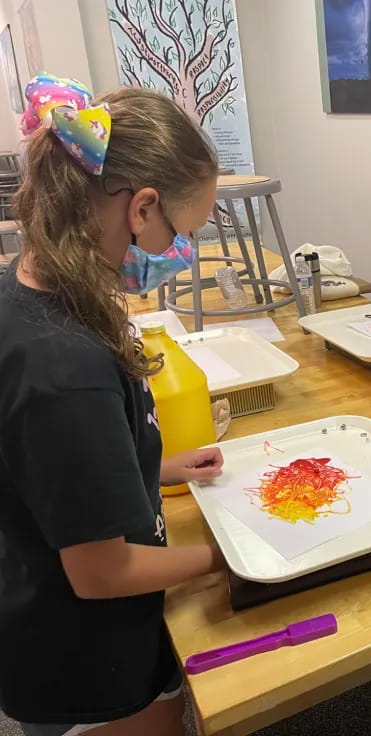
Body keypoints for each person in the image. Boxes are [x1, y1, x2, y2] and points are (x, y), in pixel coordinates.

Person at [0, 75, 225, 735]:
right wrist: (235, 557)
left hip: (55, 616)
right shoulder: (64, 364)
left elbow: (49, 472)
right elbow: (102, 572)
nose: (177, 254)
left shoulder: (34, 290)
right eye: (182, 233)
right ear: (142, 207)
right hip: (85, 660)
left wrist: (155, 467)